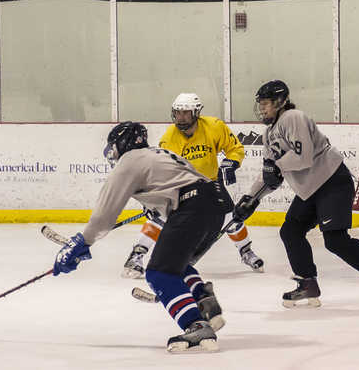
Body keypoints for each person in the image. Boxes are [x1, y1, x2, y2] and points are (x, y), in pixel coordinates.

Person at [52, 121, 231, 353]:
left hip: (192, 206)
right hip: (217, 204)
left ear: (123, 143)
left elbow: (103, 218)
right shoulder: (159, 154)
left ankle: (195, 325)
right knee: (177, 265)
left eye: (114, 147)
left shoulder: (130, 160)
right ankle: (203, 298)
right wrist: (158, 203)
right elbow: (183, 184)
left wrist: (81, 243)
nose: (113, 153)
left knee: (159, 274)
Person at [232, 80, 359, 308]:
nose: (262, 109)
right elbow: (270, 173)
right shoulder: (268, 134)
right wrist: (251, 199)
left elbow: (304, 158)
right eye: (260, 104)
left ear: (280, 102)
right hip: (309, 191)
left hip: (332, 182)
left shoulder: (293, 118)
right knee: (291, 231)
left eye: (266, 104)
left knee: (335, 239)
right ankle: (307, 284)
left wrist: (277, 166)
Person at [122, 93, 264, 278]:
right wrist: (155, 199)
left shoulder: (213, 126)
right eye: (177, 113)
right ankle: (136, 255)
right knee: (160, 217)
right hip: (183, 185)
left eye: (185, 113)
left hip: (211, 182)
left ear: (196, 113)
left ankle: (246, 252)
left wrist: (231, 162)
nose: (180, 118)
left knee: (232, 216)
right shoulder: (169, 139)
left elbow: (234, 148)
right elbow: (162, 171)